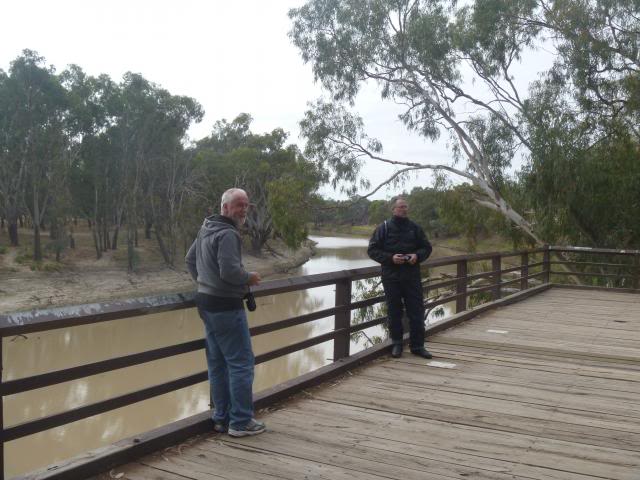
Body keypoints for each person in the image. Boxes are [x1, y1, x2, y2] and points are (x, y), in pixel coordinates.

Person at [185, 188, 266, 437]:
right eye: (238, 205)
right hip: (226, 306)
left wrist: (205, 283)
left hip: (206, 303)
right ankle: (240, 421)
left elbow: (190, 260)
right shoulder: (229, 233)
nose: (243, 210)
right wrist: (249, 278)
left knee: (218, 364)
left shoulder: (207, 228)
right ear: (225, 207)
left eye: (246, 205)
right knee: (241, 364)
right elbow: (230, 271)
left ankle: (221, 417)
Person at [367, 196, 433, 359]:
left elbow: (427, 248)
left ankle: (418, 346)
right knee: (394, 312)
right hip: (391, 277)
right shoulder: (383, 228)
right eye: (401, 207)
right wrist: (391, 258)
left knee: (416, 311)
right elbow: (372, 250)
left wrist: (417, 256)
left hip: (412, 277)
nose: (404, 209)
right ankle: (396, 344)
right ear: (393, 209)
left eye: (406, 207)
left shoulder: (415, 228)